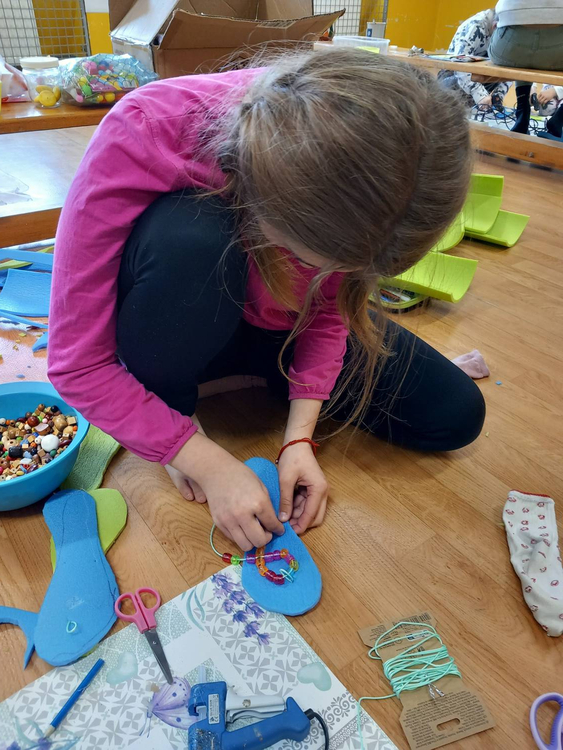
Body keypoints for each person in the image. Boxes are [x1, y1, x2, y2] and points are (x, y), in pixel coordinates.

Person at [49, 48, 484, 552]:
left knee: (455, 413)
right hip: (176, 320)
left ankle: (243, 377)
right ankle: (177, 397)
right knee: (193, 238)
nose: (331, 273)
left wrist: (299, 436)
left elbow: (332, 307)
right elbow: (78, 366)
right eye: (307, 253)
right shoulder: (147, 126)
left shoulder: (369, 172)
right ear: (266, 196)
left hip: (276, 326)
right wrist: (198, 456)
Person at [489, 0, 563, 135]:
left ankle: (522, 113)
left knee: (519, 58)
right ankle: (559, 118)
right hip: (558, 46)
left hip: (509, 47)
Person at [438, 9, 511, 109]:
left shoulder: (506, 31)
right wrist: (480, 95)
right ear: (495, 26)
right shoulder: (474, 27)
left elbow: (511, 68)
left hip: (482, 75)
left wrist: (498, 95)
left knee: (497, 74)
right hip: (454, 75)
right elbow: (459, 67)